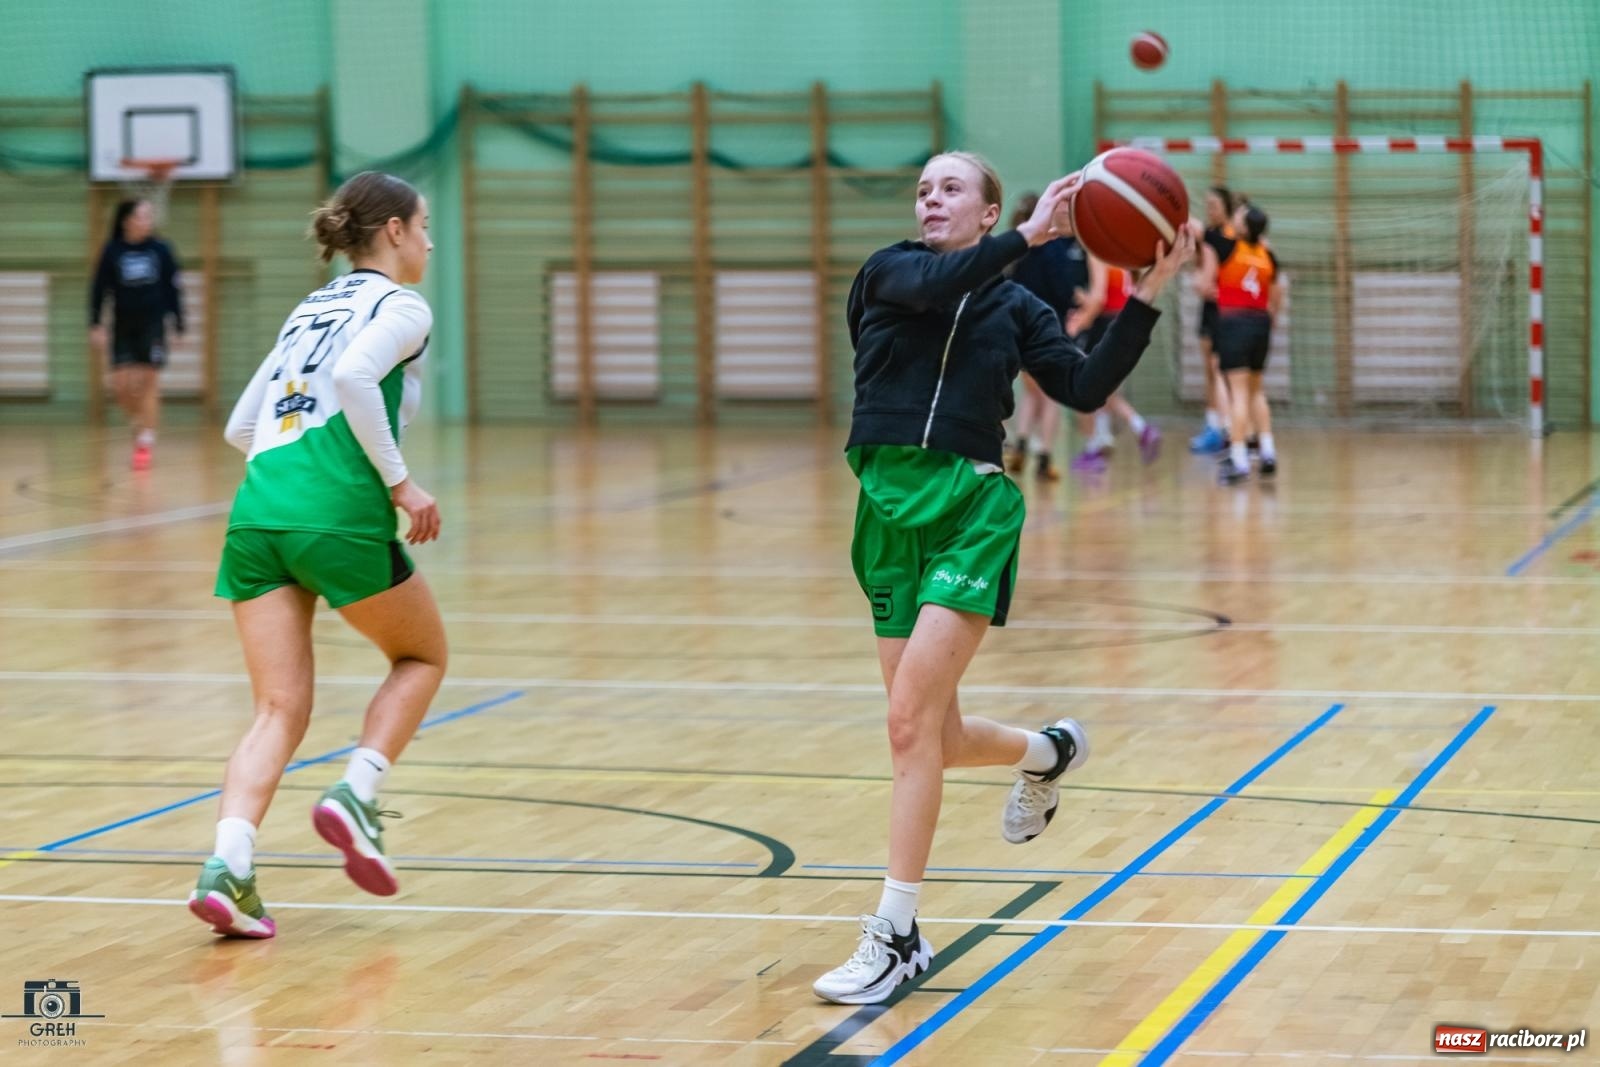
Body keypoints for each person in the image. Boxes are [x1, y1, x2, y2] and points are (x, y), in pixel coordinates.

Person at [815, 151, 1194, 1003]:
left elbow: (1084, 387)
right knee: (934, 736)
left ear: (987, 211)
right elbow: (939, 285)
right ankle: (1050, 750)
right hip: (885, 513)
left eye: (951, 188)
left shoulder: (1018, 307)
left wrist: (1148, 293)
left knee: (907, 724)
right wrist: (1029, 235)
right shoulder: (889, 273)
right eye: (923, 188)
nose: (930, 198)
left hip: (972, 510)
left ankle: (897, 933)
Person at [188, 171, 447, 939]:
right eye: (424, 225)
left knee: (278, 708)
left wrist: (293, 479)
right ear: (394, 231)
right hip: (333, 510)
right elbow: (354, 374)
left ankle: (227, 867)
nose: (430, 241)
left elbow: (242, 426)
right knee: (422, 656)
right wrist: (400, 484)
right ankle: (357, 792)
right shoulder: (403, 305)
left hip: (258, 511)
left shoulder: (310, 308)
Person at [1003, 192, 1092, 481]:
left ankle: (1021, 443)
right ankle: (1044, 456)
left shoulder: (1015, 249)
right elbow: (1062, 287)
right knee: (1050, 397)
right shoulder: (1052, 248)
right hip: (1048, 330)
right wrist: (1078, 299)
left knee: (1031, 393)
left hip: (1019, 331)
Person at [89, 199, 183, 471]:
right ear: (126, 220)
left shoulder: (161, 249)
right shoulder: (113, 250)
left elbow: (173, 288)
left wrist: (179, 322)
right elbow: (98, 288)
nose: (147, 221)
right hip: (123, 325)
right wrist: (95, 323)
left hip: (152, 325)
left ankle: (145, 440)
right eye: (142, 216)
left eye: (149, 216)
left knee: (149, 380)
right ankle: (139, 421)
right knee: (120, 386)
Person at [1201, 202, 1282, 485]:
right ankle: (1268, 451)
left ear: (1244, 227)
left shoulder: (1227, 247)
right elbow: (1276, 296)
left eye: (1239, 215)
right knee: (1257, 390)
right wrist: (1270, 320)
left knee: (1238, 394)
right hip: (1261, 323)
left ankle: (1239, 459)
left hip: (1234, 323)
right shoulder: (1268, 254)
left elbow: (1196, 229)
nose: (1234, 217)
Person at [1069, 260, 1162, 472]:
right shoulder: (1124, 258)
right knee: (1104, 388)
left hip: (1105, 324)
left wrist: (1079, 320)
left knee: (1086, 383)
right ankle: (1105, 438)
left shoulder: (1098, 255)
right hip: (1123, 321)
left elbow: (1099, 298)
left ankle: (1137, 429)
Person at [1189, 186, 1236, 454]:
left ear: (1227, 208)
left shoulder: (1226, 237)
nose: (1210, 210)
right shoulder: (1210, 237)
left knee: (1221, 371)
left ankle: (1225, 428)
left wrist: (1202, 282)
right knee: (1211, 370)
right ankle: (1214, 424)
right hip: (1212, 309)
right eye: (1208, 205)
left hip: (1224, 310)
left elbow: (1203, 282)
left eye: (1215, 206)